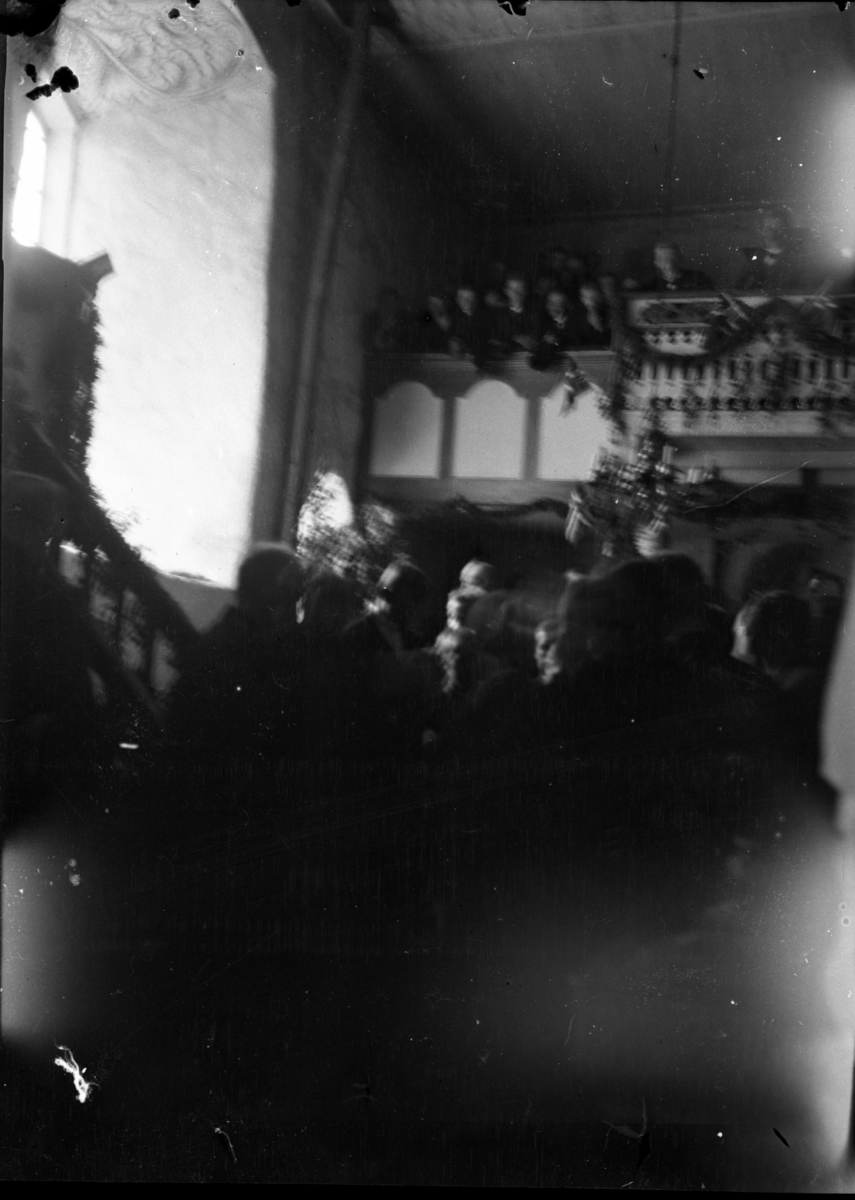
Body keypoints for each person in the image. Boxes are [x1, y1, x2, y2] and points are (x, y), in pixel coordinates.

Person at [166, 543, 307, 761]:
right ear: (264, 590)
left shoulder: (239, 640)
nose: (298, 602)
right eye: (292, 591)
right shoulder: (239, 650)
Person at [732, 590, 827, 768]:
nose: (734, 648)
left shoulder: (789, 690)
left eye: (737, 634)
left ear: (755, 635)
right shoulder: (809, 680)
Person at [735, 207, 805, 292]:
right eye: (767, 226)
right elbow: (740, 288)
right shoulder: (754, 257)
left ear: (785, 228)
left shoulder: (796, 257)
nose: (770, 230)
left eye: (776, 226)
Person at [627, 241, 713, 293]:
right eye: (661, 258)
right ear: (656, 263)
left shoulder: (698, 278)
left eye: (671, 257)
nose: (667, 262)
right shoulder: (652, 285)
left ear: (679, 259)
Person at [492, 272, 537, 353]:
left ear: (525, 291)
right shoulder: (498, 315)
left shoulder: (534, 313)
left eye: (520, 289)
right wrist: (515, 338)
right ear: (505, 291)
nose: (516, 293)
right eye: (512, 289)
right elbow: (494, 338)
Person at [362, 287, 409, 352]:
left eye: (390, 301)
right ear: (378, 302)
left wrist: (394, 344)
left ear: (396, 303)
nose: (387, 305)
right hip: (376, 359)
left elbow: (408, 344)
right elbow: (365, 344)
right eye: (383, 301)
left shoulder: (405, 320)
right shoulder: (370, 320)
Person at [569, 280, 612, 347]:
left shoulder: (607, 310)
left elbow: (605, 337)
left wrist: (594, 311)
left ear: (599, 296)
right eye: (584, 296)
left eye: (592, 297)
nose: (587, 301)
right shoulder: (577, 311)